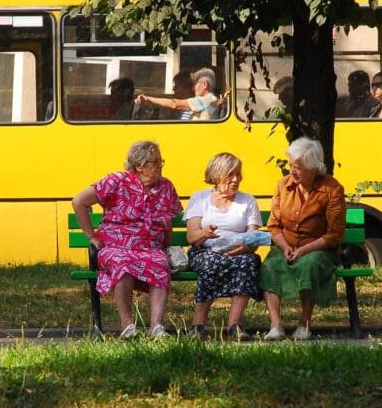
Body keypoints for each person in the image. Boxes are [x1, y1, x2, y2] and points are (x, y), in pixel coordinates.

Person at [71, 141, 182, 339]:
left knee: (160, 262)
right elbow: (79, 201)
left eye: (160, 161)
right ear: (139, 165)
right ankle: (127, 325)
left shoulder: (166, 186)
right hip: (116, 247)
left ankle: (156, 327)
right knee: (124, 263)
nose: (160, 165)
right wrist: (92, 237)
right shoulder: (117, 181)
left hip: (149, 248)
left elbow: (168, 223)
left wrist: (167, 247)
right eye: (154, 161)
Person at [261, 137, 346, 340]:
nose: (292, 171)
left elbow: (334, 234)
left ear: (313, 167)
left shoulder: (332, 189)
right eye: (291, 166)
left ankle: (304, 324)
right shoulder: (283, 186)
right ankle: (276, 325)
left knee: (308, 265)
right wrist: (284, 247)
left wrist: (304, 250)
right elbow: (273, 225)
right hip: (286, 246)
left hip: (319, 250)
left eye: (298, 167)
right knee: (270, 266)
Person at [183, 152, 264, 340]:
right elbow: (191, 236)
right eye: (230, 175)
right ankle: (197, 325)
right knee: (212, 262)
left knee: (247, 262)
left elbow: (253, 236)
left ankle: (234, 326)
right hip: (204, 250)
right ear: (216, 176)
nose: (236, 180)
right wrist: (205, 233)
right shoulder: (200, 198)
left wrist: (246, 246)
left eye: (238, 174)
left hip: (238, 251)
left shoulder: (248, 201)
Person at [136, 67, 222, 119]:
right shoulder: (208, 100)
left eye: (195, 84)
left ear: (204, 85)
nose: (192, 88)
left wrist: (148, 99)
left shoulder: (208, 100)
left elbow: (174, 104)